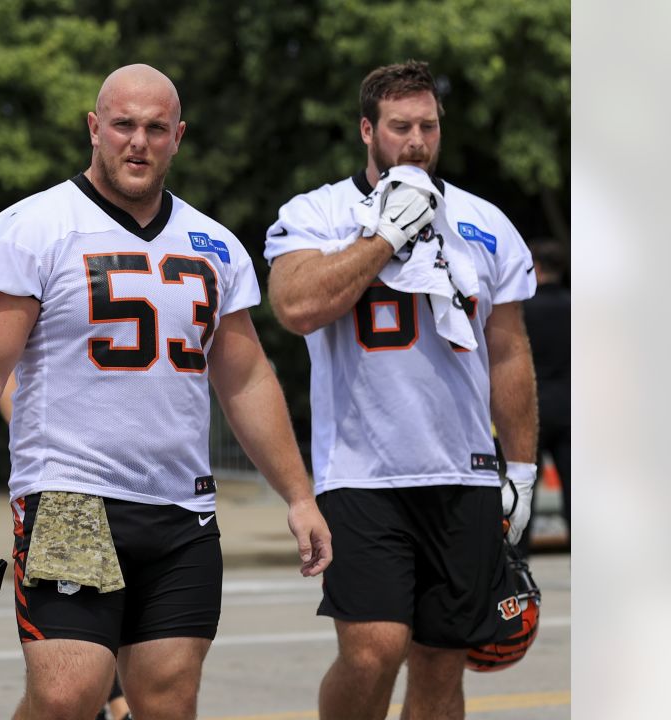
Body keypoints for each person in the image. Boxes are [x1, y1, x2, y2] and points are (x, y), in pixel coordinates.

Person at [0, 64, 331, 720]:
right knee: (67, 696)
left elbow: (245, 378)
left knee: (165, 702)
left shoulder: (214, 245)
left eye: (155, 128)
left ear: (178, 137)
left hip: (179, 508)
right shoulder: (32, 229)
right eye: (124, 125)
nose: (139, 141)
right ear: (94, 128)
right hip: (71, 497)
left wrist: (299, 497)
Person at [264, 60, 538, 719]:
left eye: (427, 127)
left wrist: (523, 471)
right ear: (367, 130)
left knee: (443, 665)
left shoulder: (484, 221)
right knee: (372, 651)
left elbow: (508, 353)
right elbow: (296, 307)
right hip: (361, 471)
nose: (415, 141)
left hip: (463, 473)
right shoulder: (320, 213)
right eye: (399, 127)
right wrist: (385, 235)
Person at [0, 375, 132, 720]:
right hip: (68, 487)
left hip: (148, 485)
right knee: (64, 689)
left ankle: (117, 704)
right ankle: (117, 705)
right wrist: (48, 439)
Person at [518, 237, 570, 553]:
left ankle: (518, 563)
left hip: (530, 410)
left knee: (524, 490)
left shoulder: (522, 309)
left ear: (535, 267)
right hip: (572, 410)